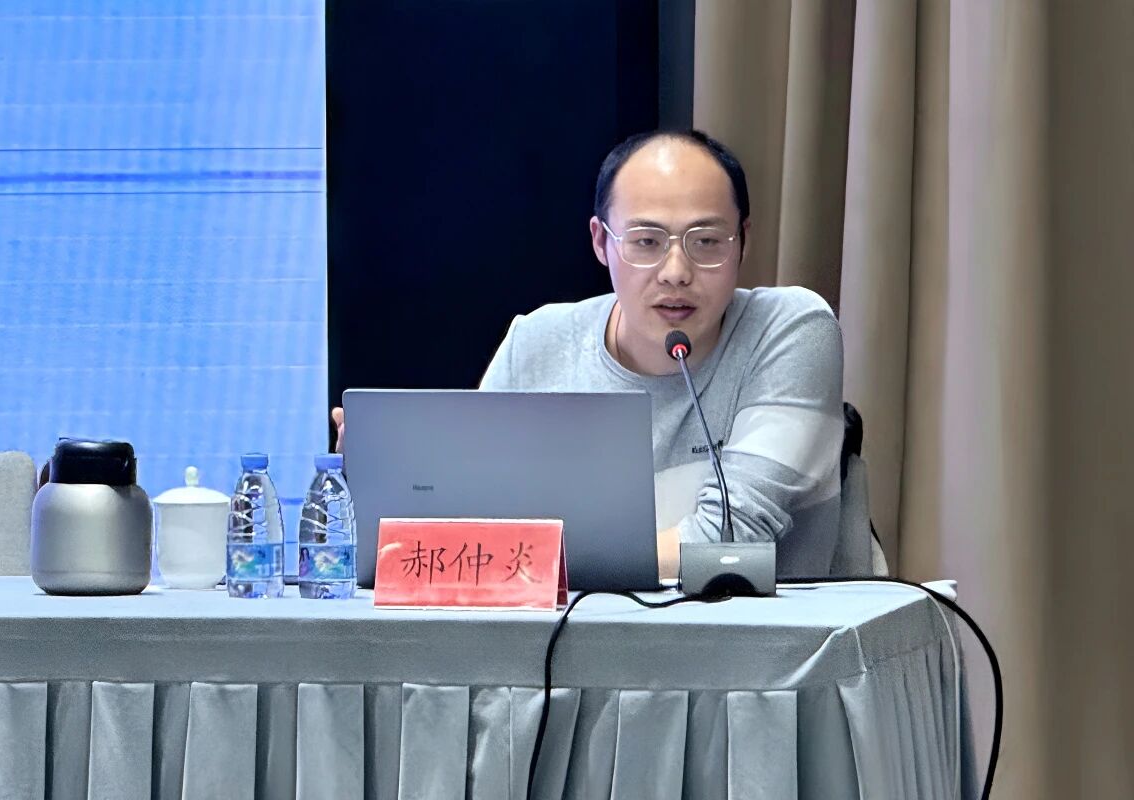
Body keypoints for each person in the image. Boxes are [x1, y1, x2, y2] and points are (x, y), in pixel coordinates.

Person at [334, 130, 844, 580]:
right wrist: (387, 484)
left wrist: (526, 565)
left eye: (706, 241)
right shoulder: (537, 343)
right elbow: (469, 525)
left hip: (772, 649)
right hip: (566, 647)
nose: (676, 272)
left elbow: (728, 539)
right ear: (601, 242)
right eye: (646, 241)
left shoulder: (790, 329)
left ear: (743, 241)